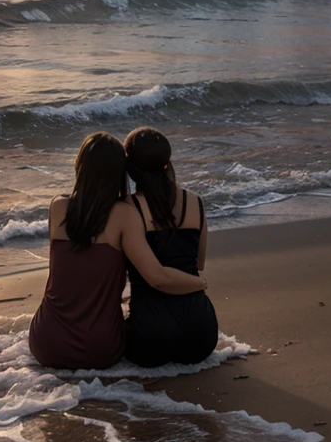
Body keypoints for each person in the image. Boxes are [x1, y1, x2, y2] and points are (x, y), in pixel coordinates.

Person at [29, 131, 207, 370]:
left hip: (45, 343)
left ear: (79, 166)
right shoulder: (124, 215)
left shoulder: (57, 207)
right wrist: (200, 283)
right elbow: (157, 276)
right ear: (120, 172)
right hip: (99, 348)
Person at [123, 126, 218, 367]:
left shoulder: (128, 209)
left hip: (150, 337)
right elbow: (199, 262)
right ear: (167, 162)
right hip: (202, 335)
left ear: (131, 170)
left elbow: (154, 277)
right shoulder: (194, 202)